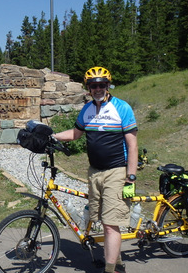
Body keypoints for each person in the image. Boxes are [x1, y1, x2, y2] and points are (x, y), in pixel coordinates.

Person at [52, 66, 138, 273]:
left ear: (108, 86)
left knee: (110, 224)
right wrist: (52, 136)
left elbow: (132, 145)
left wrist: (131, 178)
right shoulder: (87, 109)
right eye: (93, 85)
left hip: (116, 172)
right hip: (94, 171)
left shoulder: (122, 108)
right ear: (88, 88)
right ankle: (116, 263)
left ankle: (111, 270)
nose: (97, 89)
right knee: (103, 221)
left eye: (101, 85)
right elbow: (75, 133)